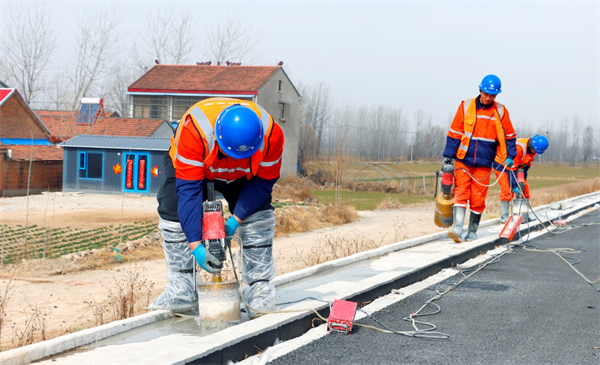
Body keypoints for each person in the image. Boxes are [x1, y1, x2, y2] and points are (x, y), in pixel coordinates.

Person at [170, 97, 284, 316]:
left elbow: (263, 182)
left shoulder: (272, 135)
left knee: (258, 216)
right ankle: (181, 287)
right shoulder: (195, 131)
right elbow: (189, 192)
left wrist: (234, 222)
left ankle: (259, 287)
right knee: (171, 207)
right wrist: (196, 247)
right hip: (197, 170)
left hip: (245, 175)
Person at [442, 75, 517, 243]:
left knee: (477, 198)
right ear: (480, 90)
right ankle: (458, 229)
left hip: (484, 162)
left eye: (493, 95)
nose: (489, 98)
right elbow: (454, 133)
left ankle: (472, 231)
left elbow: (510, 136)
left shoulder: (501, 111)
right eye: (486, 94)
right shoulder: (465, 106)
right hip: (463, 159)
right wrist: (448, 156)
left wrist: (511, 156)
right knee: (460, 192)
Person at [493, 135, 549, 223]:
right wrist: (515, 186)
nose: (535, 153)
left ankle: (524, 215)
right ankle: (505, 218)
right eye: (535, 151)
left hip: (516, 167)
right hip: (502, 165)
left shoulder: (533, 151)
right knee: (507, 190)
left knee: (524, 188)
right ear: (531, 146)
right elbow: (511, 170)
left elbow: (526, 167)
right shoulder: (519, 148)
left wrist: (522, 181)